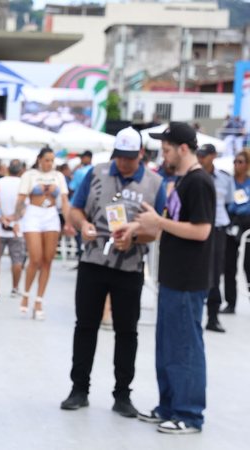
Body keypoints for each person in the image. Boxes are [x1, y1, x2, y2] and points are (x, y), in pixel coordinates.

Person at [60, 127, 166, 417]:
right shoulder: (97, 172)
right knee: (85, 326)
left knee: (127, 332)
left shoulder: (155, 183)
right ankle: (79, 389)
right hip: (93, 261)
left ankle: (122, 394)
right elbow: (76, 210)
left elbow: (156, 230)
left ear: (140, 155)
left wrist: (134, 238)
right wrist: (83, 226)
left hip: (130, 266)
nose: (124, 163)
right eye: (120, 157)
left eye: (130, 158)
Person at [121, 122, 214, 434]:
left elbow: (201, 231)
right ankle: (169, 406)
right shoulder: (182, 181)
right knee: (168, 345)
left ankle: (189, 414)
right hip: (173, 277)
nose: (163, 154)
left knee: (185, 347)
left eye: (167, 149)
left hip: (189, 280)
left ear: (183, 148)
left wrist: (158, 220)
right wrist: (141, 226)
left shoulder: (199, 182)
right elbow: (170, 224)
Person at [12, 148, 73, 319]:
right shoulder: (29, 175)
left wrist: (68, 221)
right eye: (47, 160)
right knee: (35, 257)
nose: (49, 163)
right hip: (33, 214)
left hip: (51, 214)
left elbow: (65, 201)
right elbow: (21, 199)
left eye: (52, 160)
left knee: (48, 259)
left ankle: (39, 299)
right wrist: (16, 220)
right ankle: (26, 294)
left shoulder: (58, 176)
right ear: (39, 159)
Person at [196, 143, 233, 333]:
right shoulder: (194, 177)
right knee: (197, 271)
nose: (201, 159)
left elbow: (229, 203)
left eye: (204, 155)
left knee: (215, 273)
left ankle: (213, 316)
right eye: (199, 155)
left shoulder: (224, 179)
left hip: (217, 229)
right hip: (197, 229)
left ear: (213, 156)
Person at [224, 149, 250, 314]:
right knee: (228, 266)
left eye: (240, 162)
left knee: (249, 265)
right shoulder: (228, 181)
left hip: (247, 226)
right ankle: (230, 302)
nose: (236, 165)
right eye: (235, 161)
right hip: (231, 224)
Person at [0, 159, 27, 297]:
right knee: (17, 260)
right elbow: (24, 207)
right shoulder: (23, 184)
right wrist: (13, 218)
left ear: (8, 169)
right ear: (21, 170)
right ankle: (15, 288)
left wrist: (3, 218)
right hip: (17, 227)